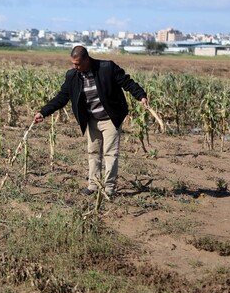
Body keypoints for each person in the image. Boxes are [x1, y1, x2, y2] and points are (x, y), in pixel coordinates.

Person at [34, 45, 150, 197]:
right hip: (92, 119)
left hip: (110, 118)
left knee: (110, 153)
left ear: (87, 59)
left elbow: (127, 82)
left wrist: (141, 95)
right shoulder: (72, 76)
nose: (75, 66)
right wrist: (43, 112)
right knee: (93, 152)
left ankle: (108, 189)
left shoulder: (107, 68)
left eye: (78, 63)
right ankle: (93, 185)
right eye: (73, 63)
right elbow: (62, 97)